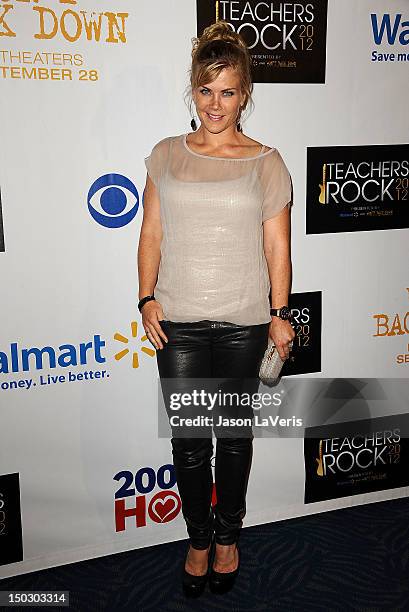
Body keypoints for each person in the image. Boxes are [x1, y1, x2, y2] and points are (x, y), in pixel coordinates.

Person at [137, 20, 295, 597]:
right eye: (206, 90)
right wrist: (146, 298)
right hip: (176, 321)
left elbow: (278, 246)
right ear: (194, 91)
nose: (215, 104)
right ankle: (197, 538)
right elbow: (150, 233)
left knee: (232, 439)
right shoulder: (165, 156)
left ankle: (227, 537)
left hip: (243, 323)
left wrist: (282, 312)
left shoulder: (266, 162)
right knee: (188, 442)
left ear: (244, 94)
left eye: (227, 91)